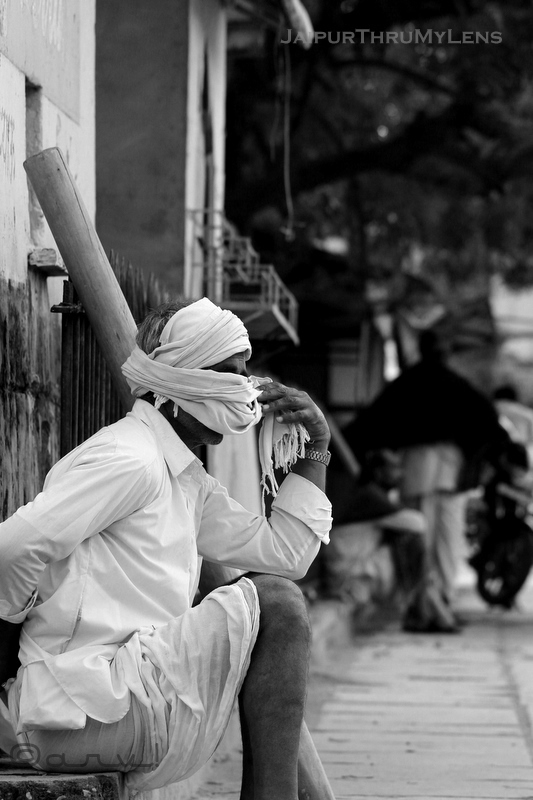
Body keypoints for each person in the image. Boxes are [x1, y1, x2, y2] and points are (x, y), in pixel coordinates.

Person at [0, 297, 333, 800]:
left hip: (118, 703)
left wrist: (316, 446)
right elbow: (12, 547)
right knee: (279, 606)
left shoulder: (182, 475)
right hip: (80, 708)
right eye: (228, 372)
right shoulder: (131, 458)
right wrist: (10, 661)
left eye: (246, 373)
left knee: (280, 599)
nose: (246, 389)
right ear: (179, 377)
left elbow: (288, 554)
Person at [343, 330, 511, 617]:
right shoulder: (458, 385)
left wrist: (341, 439)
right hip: (450, 468)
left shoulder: (408, 382)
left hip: (416, 465)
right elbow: (488, 419)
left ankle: (422, 601)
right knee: (447, 533)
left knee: (420, 532)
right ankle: (442, 598)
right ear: (444, 353)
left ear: (421, 350)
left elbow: (372, 420)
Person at [326, 449, 458, 633]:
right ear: (379, 472)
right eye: (394, 468)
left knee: (406, 540)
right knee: (411, 542)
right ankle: (425, 609)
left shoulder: (368, 491)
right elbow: (419, 523)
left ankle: (426, 608)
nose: (400, 473)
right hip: (352, 578)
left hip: (358, 572)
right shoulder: (369, 494)